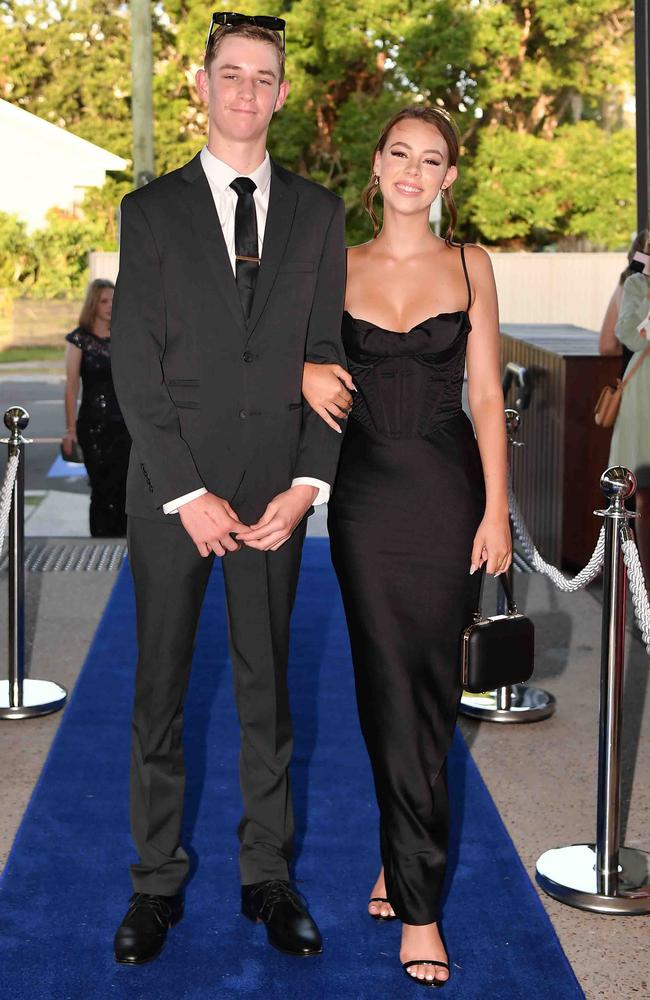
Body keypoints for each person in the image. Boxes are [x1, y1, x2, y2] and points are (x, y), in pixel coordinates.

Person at [110, 13, 346, 966]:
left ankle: (267, 874)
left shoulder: (320, 213)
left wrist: (307, 484)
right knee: (159, 692)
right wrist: (185, 494)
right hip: (175, 495)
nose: (247, 92)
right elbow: (135, 365)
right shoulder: (152, 211)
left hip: (274, 494)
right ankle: (155, 882)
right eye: (232, 75)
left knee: (267, 692)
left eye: (265, 78)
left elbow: (325, 358)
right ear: (201, 87)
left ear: (282, 94)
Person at [302, 106, 511, 988]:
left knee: (428, 690)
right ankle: (404, 849)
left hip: (446, 496)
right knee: (385, 686)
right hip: (362, 507)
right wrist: (300, 370)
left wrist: (497, 510)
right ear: (377, 164)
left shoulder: (471, 265)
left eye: (432, 161)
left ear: (448, 179)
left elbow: (491, 397)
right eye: (400, 154)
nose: (414, 172)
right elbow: (284, 353)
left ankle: (417, 906)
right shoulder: (333, 265)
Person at [63, 279, 130, 537]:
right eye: (104, 300)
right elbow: (71, 387)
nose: (110, 305)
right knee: (101, 489)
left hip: (126, 425)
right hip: (93, 426)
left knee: (124, 488)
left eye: (114, 300)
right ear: (93, 303)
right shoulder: (79, 339)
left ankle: (123, 546)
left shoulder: (125, 337)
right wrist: (70, 430)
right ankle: (100, 546)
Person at [608, 236, 650, 586]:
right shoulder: (637, 283)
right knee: (644, 494)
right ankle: (644, 589)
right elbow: (627, 335)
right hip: (643, 392)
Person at [598, 231, 648, 372]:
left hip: (632, 376)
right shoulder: (637, 285)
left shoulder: (625, 284)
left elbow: (607, 346)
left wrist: (632, 347)